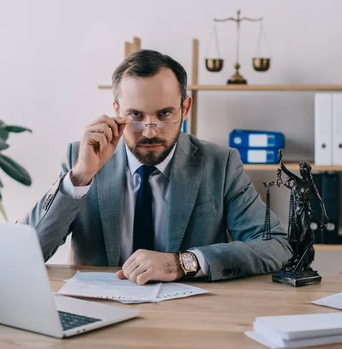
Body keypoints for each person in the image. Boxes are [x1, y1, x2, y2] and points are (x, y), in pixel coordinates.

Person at [19, 49, 292, 284]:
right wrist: (79, 178)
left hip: (190, 321)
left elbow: (277, 245)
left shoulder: (219, 164)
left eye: (164, 114)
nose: (150, 131)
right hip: (100, 315)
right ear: (116, 110)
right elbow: (24, 253)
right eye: (135, 115)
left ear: (185, 109)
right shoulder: (81, 158)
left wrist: (185, 262)